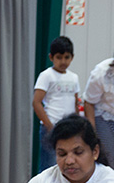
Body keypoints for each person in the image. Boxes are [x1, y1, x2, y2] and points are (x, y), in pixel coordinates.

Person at [33, 36, 80, 172]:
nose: (63, 61)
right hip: (51, 127)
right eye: (59, 57)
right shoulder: (46, 75)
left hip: (69, 128)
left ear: (72, 57)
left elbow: (75, 103)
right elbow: (36, 102)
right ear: (51, 57)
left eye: (66, 57)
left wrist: (76, 124)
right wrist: (49, 126)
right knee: (49, 166)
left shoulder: (74, 77)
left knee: (68, 164)